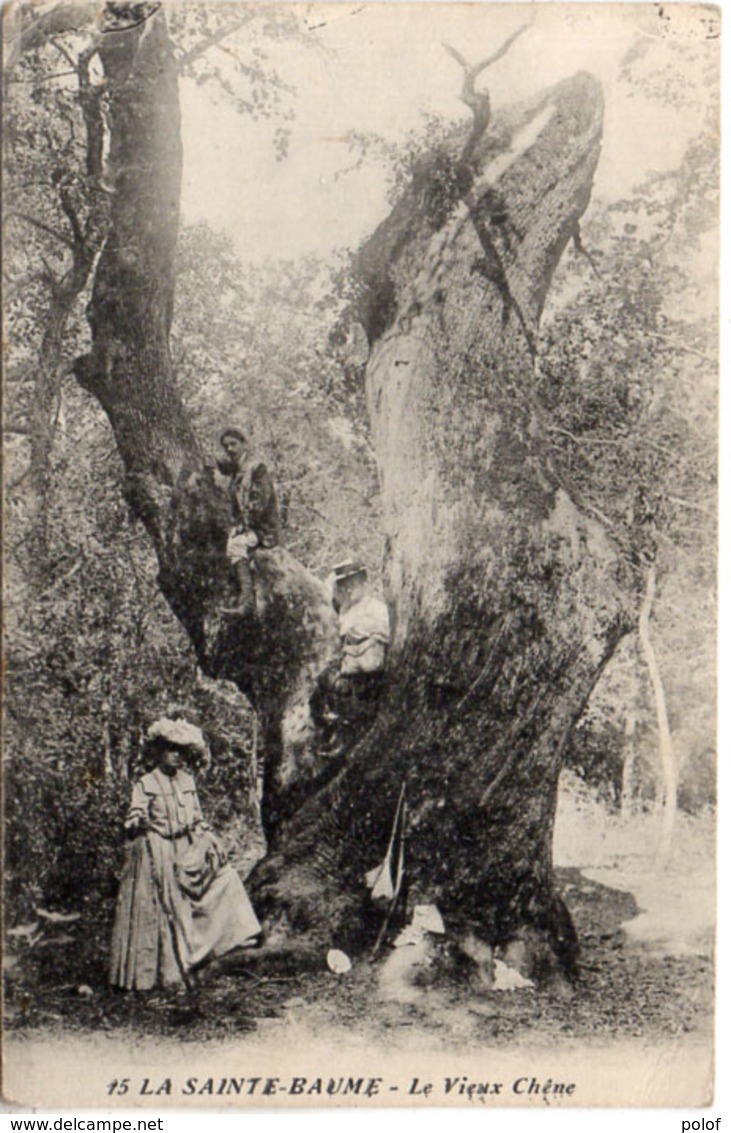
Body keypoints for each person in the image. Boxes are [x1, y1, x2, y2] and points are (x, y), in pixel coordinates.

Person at [109, 717, 261, 992]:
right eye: (171, 749)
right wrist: (137, 821)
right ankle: (174, 971)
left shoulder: (187, 781)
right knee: (172, 907)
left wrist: (210, 840)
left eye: (181, 750)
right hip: (159, 849)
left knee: (226, 879)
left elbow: (197, 819)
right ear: (158, 751)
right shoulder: (146, 783)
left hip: (188, 848)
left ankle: (229, 941)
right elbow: (134, 815)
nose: (176, 756)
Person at [311, 559, 391, 741]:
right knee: (321, 687)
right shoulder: (347, 611)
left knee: (350, 700)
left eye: (353, 585)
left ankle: (343, 735)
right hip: (351, 671)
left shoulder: (376, 609)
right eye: (344, 586)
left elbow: (381, 643)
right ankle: (328, 731)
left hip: (368, 675)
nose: (348, 590)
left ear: (364, 583)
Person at [217, 426, 280, 617]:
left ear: (244, 445)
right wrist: (233, 525)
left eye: (233, 444)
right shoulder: (235, 474)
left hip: (264, 529)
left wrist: (243, 526)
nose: (230, 449)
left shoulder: (257, 468)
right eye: (226, 446)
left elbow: (259, 502)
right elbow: (234, 509)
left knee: (236, 545)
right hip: (250, 527)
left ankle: (247, 602)